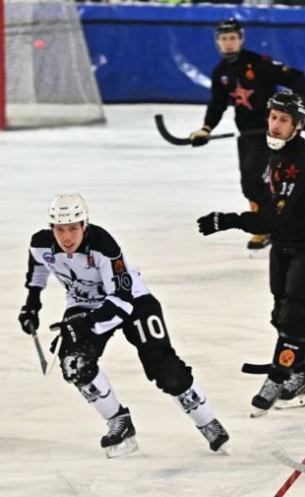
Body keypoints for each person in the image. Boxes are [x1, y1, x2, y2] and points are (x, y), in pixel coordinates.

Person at [18, 194, 230, 458]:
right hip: (84, 304)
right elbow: (38, 265)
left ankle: (207, 422)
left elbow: (121, 301)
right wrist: (32, 303)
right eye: (60, 230)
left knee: (166, 370)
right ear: (51, 228)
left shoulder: (103, 245)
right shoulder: (40, 244)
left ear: (84, 225)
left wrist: (86, 323)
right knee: (74, 363)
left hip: (133, 300)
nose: (67, 237)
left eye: (73, 228)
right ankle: (119, 422)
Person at [197, 91, 305, 417]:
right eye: (273, 117)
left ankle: (277, 376)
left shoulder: (297, 161)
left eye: (284, 120)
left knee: (295, 315)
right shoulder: (274, 151)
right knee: (281, 314)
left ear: (297, 126)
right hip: (285, 242)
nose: (276, 125)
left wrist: (228, 220)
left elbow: (272, 218)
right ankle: (299, 375)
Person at [189, 18, 305, 251]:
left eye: (233, 38)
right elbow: (217, 104)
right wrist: (206, 128)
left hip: (270, 134)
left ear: (241, 40)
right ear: (217, 42)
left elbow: (297, 77)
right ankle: (273, 222)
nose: (228, 43)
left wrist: (295, 117)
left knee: (258, 182)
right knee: (251, 185)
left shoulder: (258, 63)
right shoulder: (221, 72)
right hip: (247, 135)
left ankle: (266, 226)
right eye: (224, 39)